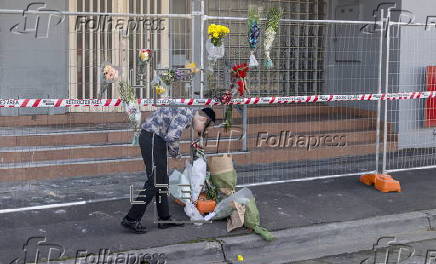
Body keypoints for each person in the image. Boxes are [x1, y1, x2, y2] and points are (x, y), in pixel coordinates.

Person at [121, 106, 216, 234]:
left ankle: (164, 218)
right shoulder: (185, 114)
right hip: (152, 137)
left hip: (157, 140)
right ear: (203, 119)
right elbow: (172, 137)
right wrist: (176, 155)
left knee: (163, 180)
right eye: (205, 128)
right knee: (155, 180)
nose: (203, 132)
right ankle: (131, 218)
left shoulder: (187, 114)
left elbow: (170, 135)